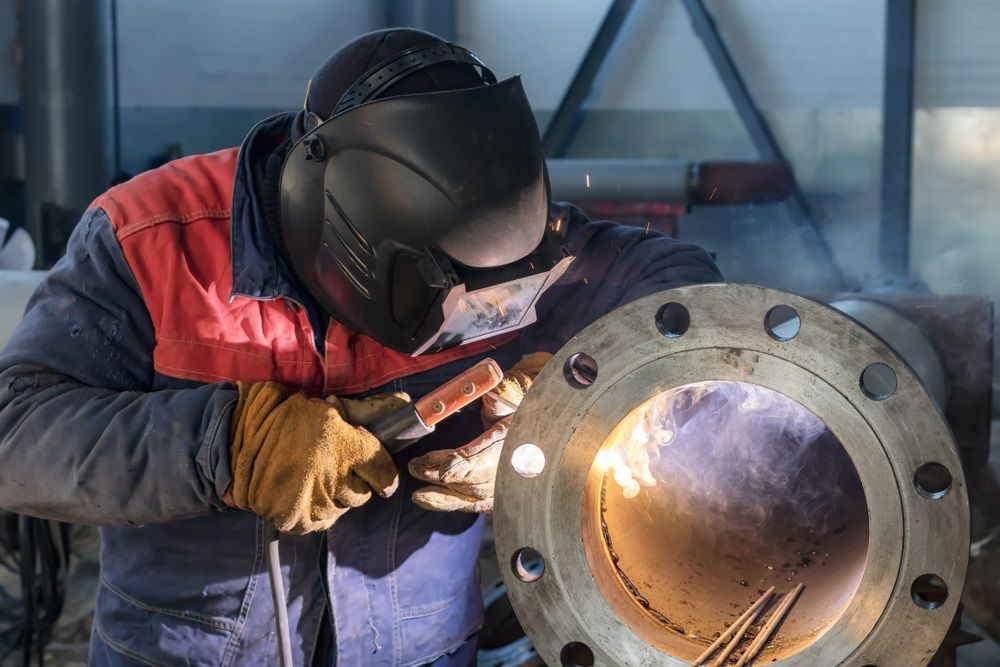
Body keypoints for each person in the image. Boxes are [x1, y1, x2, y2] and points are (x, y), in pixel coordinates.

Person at [0, 28, 721, 666]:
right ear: (328, 216)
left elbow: (687, 300)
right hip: (183, 651)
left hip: (423, 648)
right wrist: (227, 444)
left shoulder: (508, 239)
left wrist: (563, 412)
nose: (455, 316)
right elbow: (16, 432)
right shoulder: (150, 235)